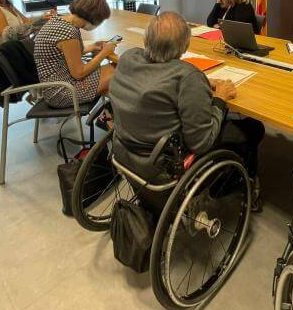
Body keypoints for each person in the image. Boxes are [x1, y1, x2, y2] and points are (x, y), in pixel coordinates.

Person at [110, 11, 264, 205]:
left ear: (147, 38)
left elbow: (157, 79)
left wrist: (201, 83)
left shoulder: (128, 57)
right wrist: (220, 99)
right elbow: (201, 142)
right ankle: (228, 183)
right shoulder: (187, 76)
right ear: (184, 45)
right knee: (254, 128)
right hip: (164, 162)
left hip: (125, 149)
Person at [33, 0, 116, 108]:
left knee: (113, 79)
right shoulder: (68, 33)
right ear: (93, 17)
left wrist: (93, 46)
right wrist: (104, 53)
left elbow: (65, 53)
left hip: (55, 85)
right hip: (62, 92)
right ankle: (114, 116)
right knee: (117, 71)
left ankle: (109, 115)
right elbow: (79, 73)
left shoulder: (60, 21)